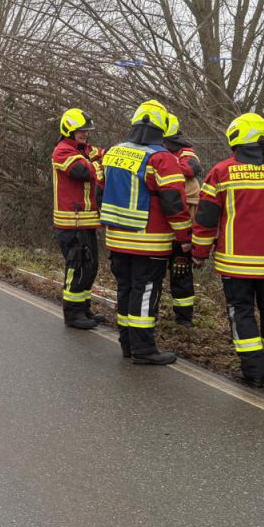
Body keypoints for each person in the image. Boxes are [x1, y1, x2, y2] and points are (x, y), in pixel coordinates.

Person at [192, 113, 264, 387]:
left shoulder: (221, 172)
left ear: (235, 138)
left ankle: (253, 371)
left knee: (241, 312)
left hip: (235, 264)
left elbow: (206, 218)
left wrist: (199, 253)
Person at [100, 100, 192, 365]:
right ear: (161, 129)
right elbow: (174, 201)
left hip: (116, 238)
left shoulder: (113, 152)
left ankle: (128, 344)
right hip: (149, 241)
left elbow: (99, 190)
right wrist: (185, 238)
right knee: (146, 292)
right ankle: (144, 349)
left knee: (126, 289)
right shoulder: (162, 158)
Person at [51, 107, 105, 329]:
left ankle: (84, 308)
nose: (85, 134)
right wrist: (100, 166)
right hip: (70, 223)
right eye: (80, 131)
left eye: (86, 130)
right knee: (77, 267)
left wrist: (105, 158)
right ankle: (72, 314)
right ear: (69, 131)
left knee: (90, 267)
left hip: (86, 222)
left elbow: (101, 154)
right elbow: (83, 172)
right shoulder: (62, 152)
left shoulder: (84, 150)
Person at [162, 114, 203, 326]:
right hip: (160, 221)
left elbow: (191, 168)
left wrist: (164, 164)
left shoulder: (186, 152)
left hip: (184, 217)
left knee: (181, 270)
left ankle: (184, 318)